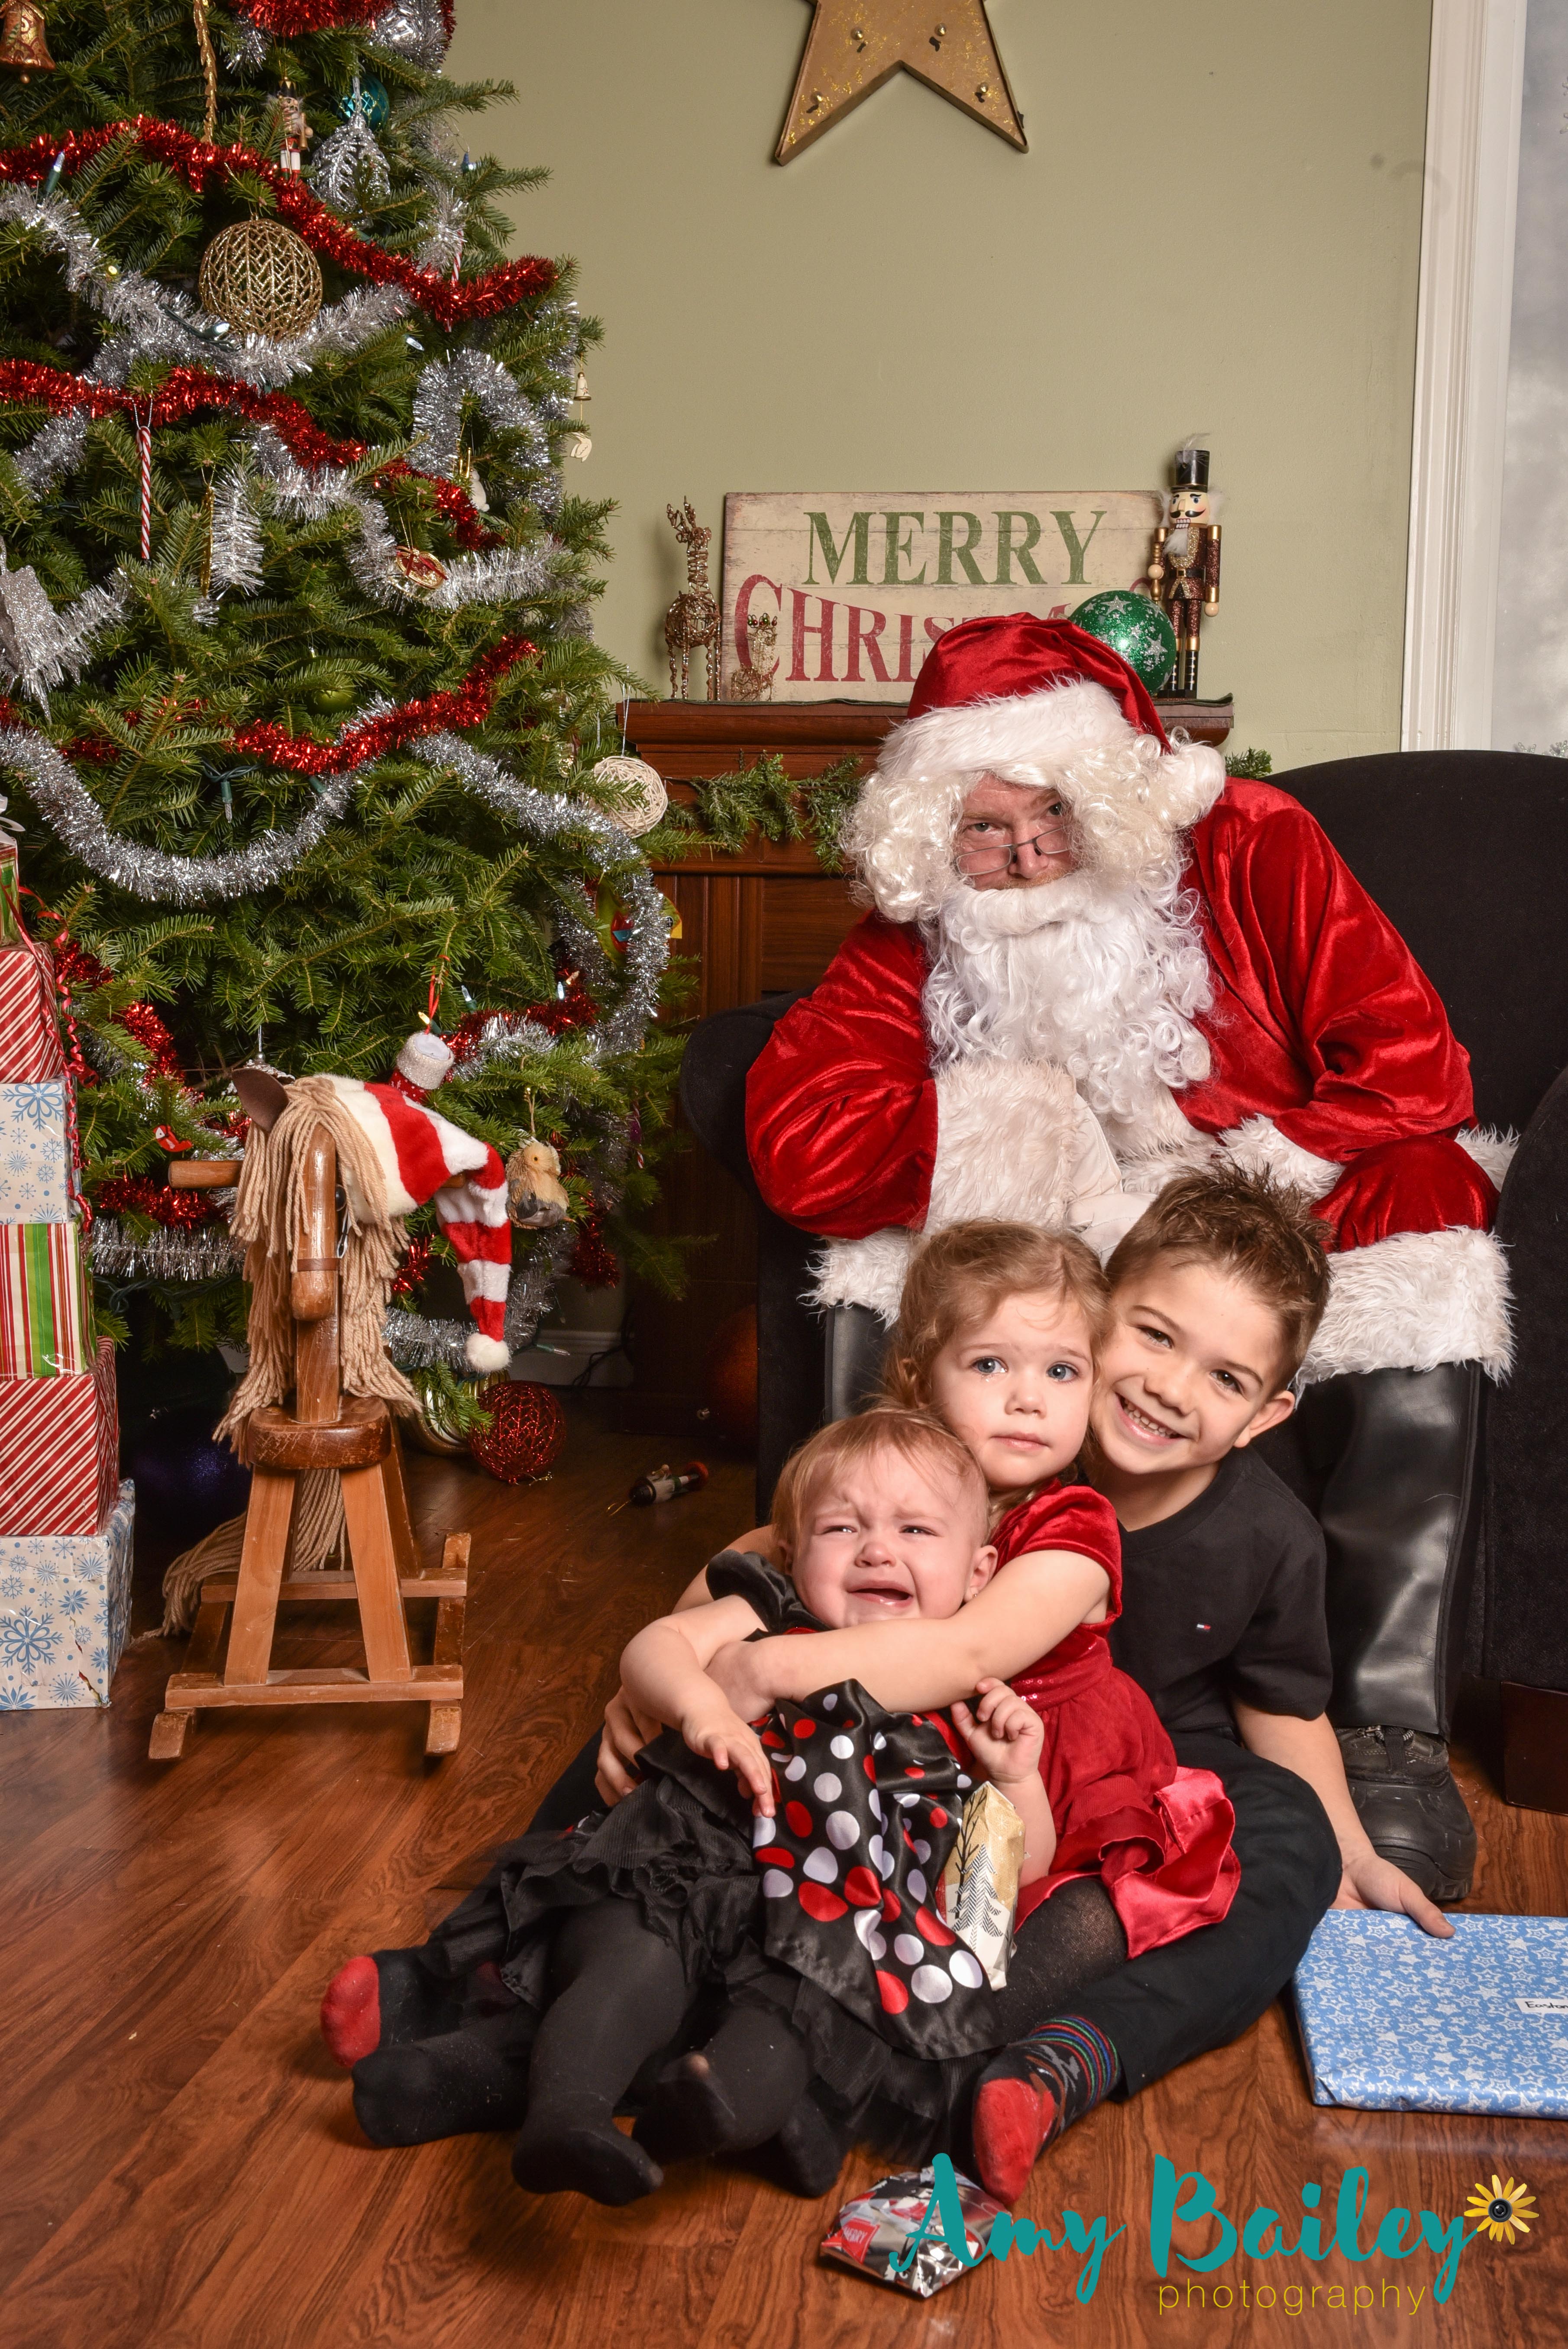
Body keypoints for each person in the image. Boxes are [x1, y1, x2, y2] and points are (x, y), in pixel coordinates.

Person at [741, 611, 1511, 1893]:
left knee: (1434, 1205)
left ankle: (1384, 1719)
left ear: (1108, 789)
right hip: (1072, 1234)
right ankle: (929, 1632)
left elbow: (1414, 1066)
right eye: (984, 827)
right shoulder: (928, 923)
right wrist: (1011, 1119)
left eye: (1054, 809)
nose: (1028, 855)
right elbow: (803, 1149)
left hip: (1269, 1192)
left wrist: (1259, 1171)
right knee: (899, 1252)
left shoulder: (1251, 841)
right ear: (933, 831)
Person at [704, 1177, 1453, 2203]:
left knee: (1293, 1845)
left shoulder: (1269, 1535)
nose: (1170, 1388)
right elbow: (787, 1543)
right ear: (1096, 1318)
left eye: (1225, 1378)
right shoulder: (1002, 1443)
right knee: (730, 1767)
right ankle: (575, 1964)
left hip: (1154, 1757)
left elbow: (1280, 1704)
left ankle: (1065, 2057)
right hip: (967, 1732)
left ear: (1265, 1414)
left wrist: (1355, 1855)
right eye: (1152, 1336)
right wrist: (678, 1662)